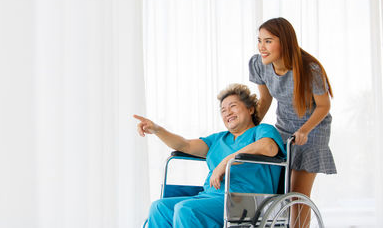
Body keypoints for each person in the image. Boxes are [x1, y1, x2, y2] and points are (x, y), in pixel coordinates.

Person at [134, 84, 285, 228]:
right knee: (159, 208)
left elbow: (269, 147)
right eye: (223, 110)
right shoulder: (218, 139)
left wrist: (226, 162)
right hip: (209, 197)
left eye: (233, 106)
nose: (228, 113)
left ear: (251, 109)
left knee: (186, 209)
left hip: (246, 201)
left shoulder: (262, 130)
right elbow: (184, 145)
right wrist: (156, 129)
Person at [249, 17, 336, 224]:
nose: (262, 47)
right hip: (284, 126)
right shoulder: (259, 64)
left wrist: (304, 130)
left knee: (297, 195)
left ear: (285, 42)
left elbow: (324, 106)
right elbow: (265, 99)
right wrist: (249, 129)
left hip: (312, 130)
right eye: (259, 40)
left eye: (268, 41)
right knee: (276, 188)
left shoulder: (309, 69)